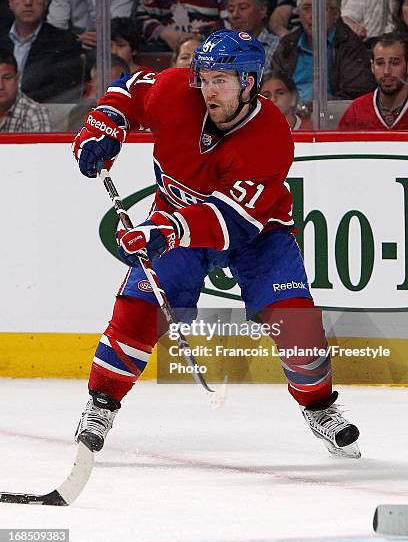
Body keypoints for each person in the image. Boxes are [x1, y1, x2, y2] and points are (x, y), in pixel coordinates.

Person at [71, 28, 361, 459]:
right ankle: (101, 404)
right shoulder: (174, 92)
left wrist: (164, 231)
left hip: (257, 234)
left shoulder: (270, 135)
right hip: (177, 227)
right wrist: (105, 125)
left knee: (297, 324)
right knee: (139, 309)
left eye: (221, 80)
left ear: (249, 82)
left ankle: (319, 406)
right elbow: (129, 89)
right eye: (204, 78)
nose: (208, 89)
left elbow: (232, 220)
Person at [271, 0, 375, 102]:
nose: (313, 15)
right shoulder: (287, 44)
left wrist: (316, 108)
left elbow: (355, 95)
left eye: (321, 8)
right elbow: (274, 87)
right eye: (306, 8)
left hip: (330, 116)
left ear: (336, 13)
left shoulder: (350, 45)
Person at [0, 0, 83, 103]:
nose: (28, 3)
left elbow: (64, 91)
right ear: (10, 2)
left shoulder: (65, 42)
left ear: (45, 1)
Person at [338, 32, 408, 129]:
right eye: (380, 63)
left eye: (394, 63)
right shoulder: (357, 110)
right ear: (372, 66)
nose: (386, 71)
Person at [225, 0, 279, 76]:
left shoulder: (278, 46)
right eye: (231, 9)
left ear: (262, 10)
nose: (235, 15)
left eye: (243, 8)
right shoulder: (221, 48)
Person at [0, 49, 51, 132]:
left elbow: (43, 145)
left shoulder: (35, 113)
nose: (0, 86)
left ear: (17, 79)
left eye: (7, 78)